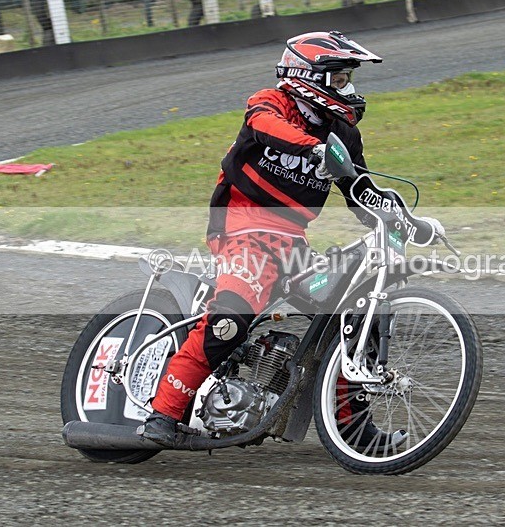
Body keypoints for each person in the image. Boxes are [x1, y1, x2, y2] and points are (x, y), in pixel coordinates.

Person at [140, 31, 443, 449]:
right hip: (241, 229)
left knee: (352, 317)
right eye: (339, 80)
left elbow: (361, 193)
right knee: (231, 320)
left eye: (348, 80)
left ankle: (354, 428)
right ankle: (164, 413)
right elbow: (264, 127)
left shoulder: (343, 134)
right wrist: (315, 148)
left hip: (290, 244)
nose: (348, 89)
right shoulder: (270, 101)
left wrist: (410, 221)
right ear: (308, 76)